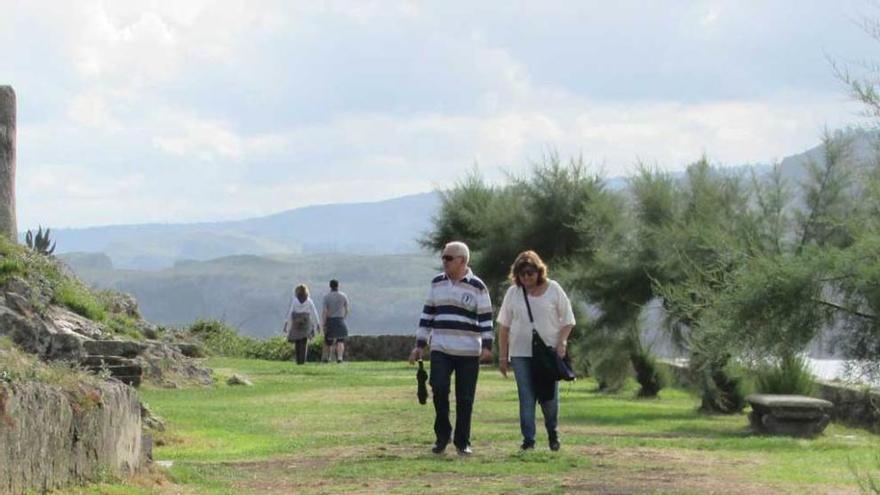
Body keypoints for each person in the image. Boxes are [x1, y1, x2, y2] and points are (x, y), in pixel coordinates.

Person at [409, 241, 494, 456]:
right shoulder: (437, 283)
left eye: (448, 258)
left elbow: (485, 318)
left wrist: (487, 346)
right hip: (441, 348)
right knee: (438, 388)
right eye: (443, 258)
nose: (444, 262)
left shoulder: (477, 286)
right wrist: (420, 344)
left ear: (462, 261)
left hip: (468, 351)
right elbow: (427, 314)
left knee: (465, 398)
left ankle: (462, 441)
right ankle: (442, 435)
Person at [497, 250, 575, 451]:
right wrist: (503, 356)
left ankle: (552, 432)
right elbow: (504, 326)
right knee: (526, 396)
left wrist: (562, 342)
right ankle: (528, 439)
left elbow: (568, 320)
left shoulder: (553, 289)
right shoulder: (513, 293)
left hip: (548, 352)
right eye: (522, 274)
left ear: (538, 271)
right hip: (520, 352)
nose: (526, 277)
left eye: (530, 272)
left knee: (548, 398)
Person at [284, 284, 321, 365]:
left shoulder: (295, 300)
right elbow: (314, 312)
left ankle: (298, 360)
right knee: (304, 341)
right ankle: (303, 360)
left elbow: (290, 312)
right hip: (306, 321)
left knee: (297, 341)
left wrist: (286, 323)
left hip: (296, 321)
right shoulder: (309, 300)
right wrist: (318, 324)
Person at [322, 279, 350, 363]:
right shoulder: (343, 296)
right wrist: (343, 318)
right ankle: (340, 358)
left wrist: (324, 323)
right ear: (338, 286)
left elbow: (324, 311)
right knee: (340, 340)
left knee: (328, 341)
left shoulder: (326, 297)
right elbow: (347, 309)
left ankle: (328, 357)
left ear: (330, 286)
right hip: (340, 319)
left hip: (330, 320)